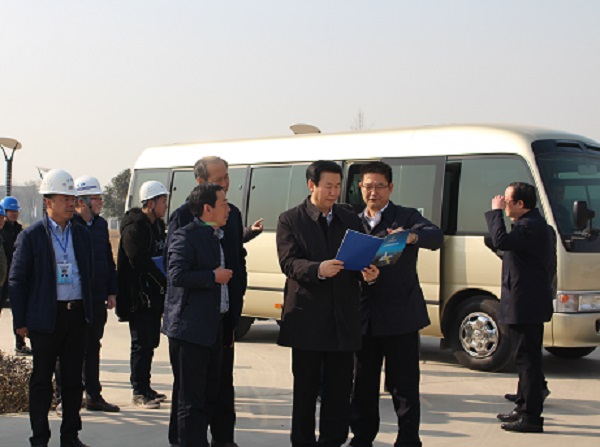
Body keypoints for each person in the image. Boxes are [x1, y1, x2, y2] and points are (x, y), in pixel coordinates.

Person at [276, 160, 379, 447]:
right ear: (312, 185)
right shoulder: (290, 219)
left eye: (337, 186)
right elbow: (288, 262)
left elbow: (357, 259)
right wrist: (318, 269)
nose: (334, 192)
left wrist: (368, 274)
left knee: (339, 392)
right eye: (328, 186)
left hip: (342, 320)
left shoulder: (349, 219)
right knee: (305, 392)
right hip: (307, 320)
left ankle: (333, 441)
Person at [349, 161, 443, 447]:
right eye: (367, 186)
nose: (373, 192)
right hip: (364, 317)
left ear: (390, 187)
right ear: (360, 188)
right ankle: (362, 437)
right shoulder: (352, 221)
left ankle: (408, 438)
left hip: (401, 316)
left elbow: (435, 237)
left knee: (404, 385)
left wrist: (411, 236)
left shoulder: (406, 216)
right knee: (362, 384)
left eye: (379, 186)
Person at [165, 156, 254, 447]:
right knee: (190, 391)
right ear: (201, 182)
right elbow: (174, 269)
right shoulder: (183, 218)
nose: (225, 183)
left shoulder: (232, 214)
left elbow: (237, 256)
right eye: (219, 179)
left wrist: (236, 297)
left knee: (221, 384)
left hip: (223, 314)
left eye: (227, 177)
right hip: (194, 317)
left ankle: (223, 438)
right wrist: (211, 277)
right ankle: (183, 439)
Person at [9, 169, 93, 447]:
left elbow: (90, 273)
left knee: (73, 382)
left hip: (75, 315)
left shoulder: (81, 234)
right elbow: (17, 281)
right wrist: (20, 321)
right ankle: (39, 438)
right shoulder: (31, 236)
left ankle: (70, 436)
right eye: (65, 199)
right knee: (42, 381)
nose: (71, 204)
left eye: (73, 199)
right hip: (46, 318)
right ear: (48, 202)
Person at [485, 182, 556, 433]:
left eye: (507, 201)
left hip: (526, 304)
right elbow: (502, 244)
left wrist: (495, 213)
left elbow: (501, 240)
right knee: (524, 358)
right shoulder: (531, 225)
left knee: (527, 360)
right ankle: (523, 405)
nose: (503, 204)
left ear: (520, 204)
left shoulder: (530, 226)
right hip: (527, 302)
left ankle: (531, 417)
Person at [116, 180, 168, 409]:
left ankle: (146, 387)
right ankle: (138, 390)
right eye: (162, 201)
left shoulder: (157, 226)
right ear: (151, 202)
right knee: (141, 343)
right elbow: (138, 260)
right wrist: (160, 278)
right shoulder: (134, 227)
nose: (165, 206)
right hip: (138, 295)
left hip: (154, 293)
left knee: (150, 341)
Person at [72, 175, 120, 412]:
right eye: (96, 198)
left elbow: (107, 260)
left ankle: (93, 395)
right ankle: (64, 397)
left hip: (98, 297)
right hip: (75, 298)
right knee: (70, 349)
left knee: (93, 347)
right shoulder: (70, 225)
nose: (101, 202)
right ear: (82, 201)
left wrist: (111, 291)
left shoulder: (100, 226)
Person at [1, 195, 32, 356]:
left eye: (16, 211)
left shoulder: (20, 231)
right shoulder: (1, 231)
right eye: (10, 211)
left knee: (19, 311)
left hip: (16, 277)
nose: (14, 214)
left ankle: (20, 344)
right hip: (2, 278)